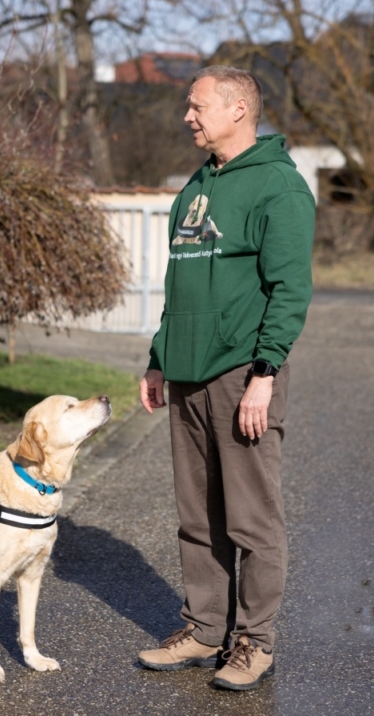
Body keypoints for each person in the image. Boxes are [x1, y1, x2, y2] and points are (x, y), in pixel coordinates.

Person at [136, 65, 315, 691]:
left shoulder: (279, 188)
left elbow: (290, 291)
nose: (189, 115)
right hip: (186, 374)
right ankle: (204, 628)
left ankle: (253, 641)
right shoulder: (197, 185)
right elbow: (180, 284)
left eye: (198, 105)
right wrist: (160, 356)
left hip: (242, 373)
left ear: (238, 109)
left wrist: (265, 374)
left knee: (251, 520)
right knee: (197, 517)